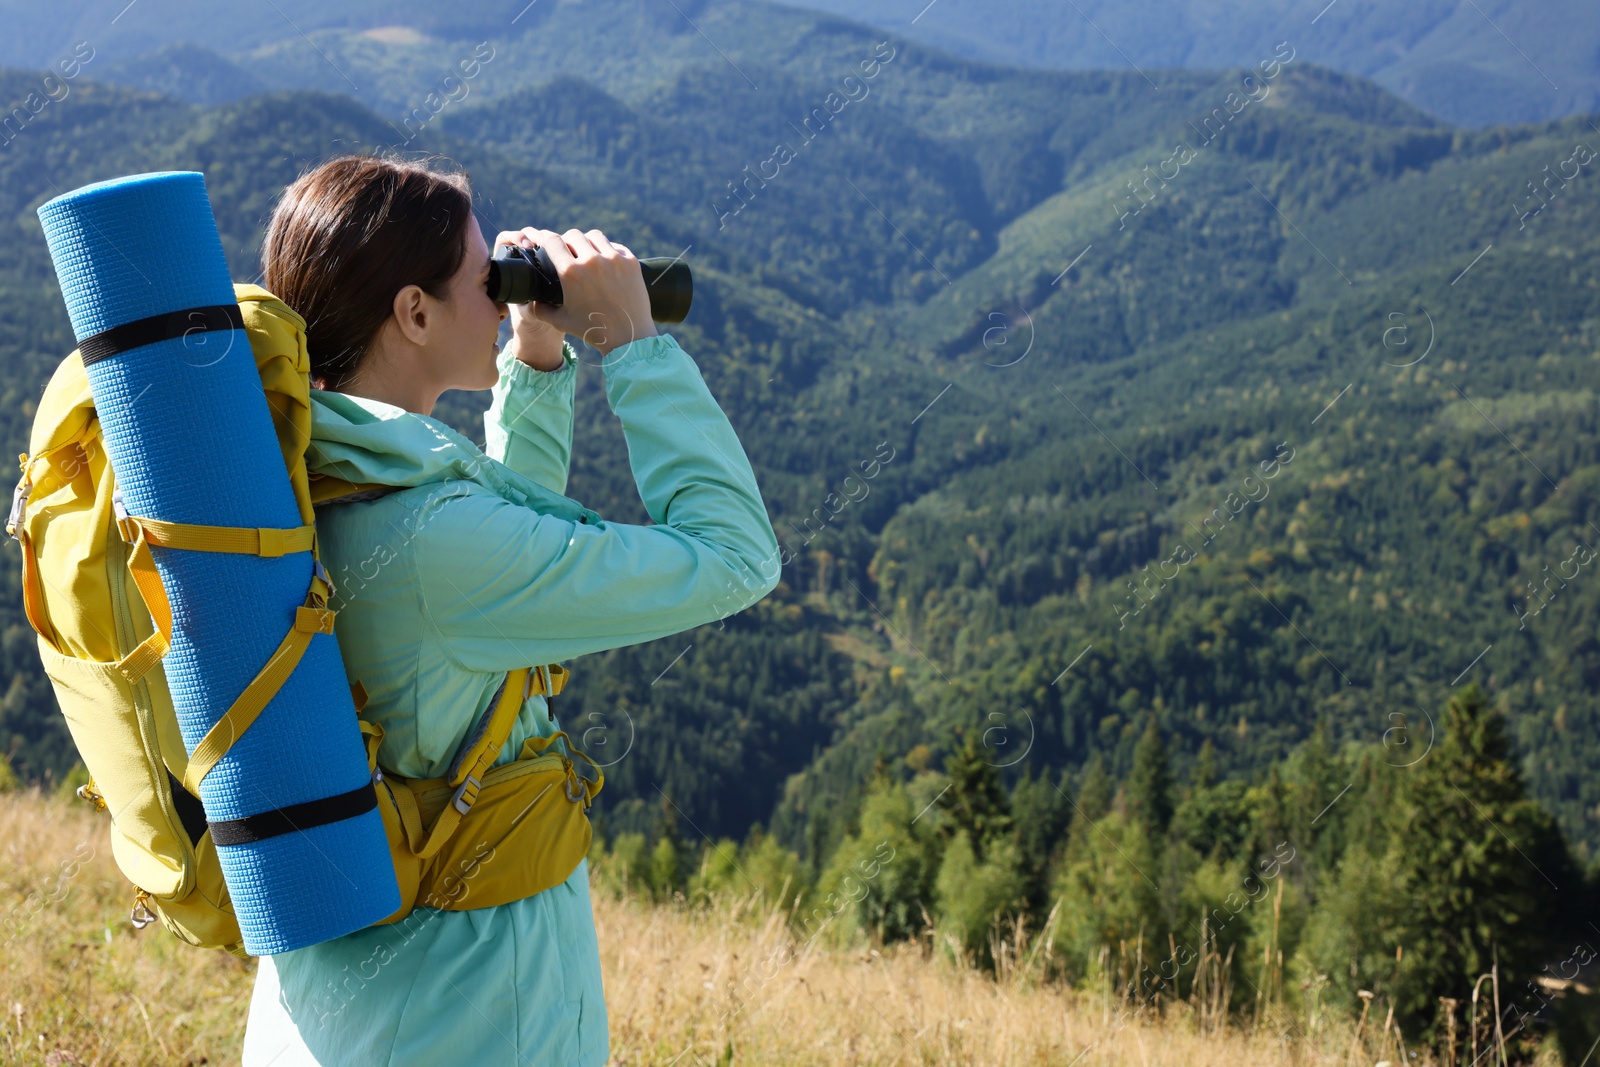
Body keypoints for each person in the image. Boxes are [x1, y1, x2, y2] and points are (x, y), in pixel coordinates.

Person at [240, 155, 780, 1065]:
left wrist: (535, 355)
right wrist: (636, 347)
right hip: (470, 1014)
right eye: (482, 279)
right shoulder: (432, 541)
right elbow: (734, 557)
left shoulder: (306, 482)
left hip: (337, 1014)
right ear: (413, 313)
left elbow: (487, 586)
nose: (499, 297)